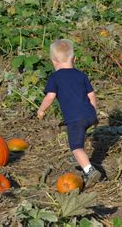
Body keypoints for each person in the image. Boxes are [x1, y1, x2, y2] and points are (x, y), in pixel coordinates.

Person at [37, 39, 101, 187]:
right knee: (82, 134)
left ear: (53, 61)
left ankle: (89, 170)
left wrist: (41, 109)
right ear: (74, 59)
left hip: (75, 119)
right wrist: (94, 114)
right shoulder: (81, 75)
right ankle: (82, 159)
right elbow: (91, 95)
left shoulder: (55, 78)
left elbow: (50, 97)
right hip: (89, 113)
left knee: (76, 147)